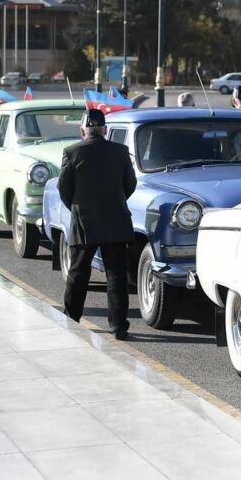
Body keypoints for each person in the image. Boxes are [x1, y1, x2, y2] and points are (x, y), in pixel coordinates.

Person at [57, 107, 137, 340]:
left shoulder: (71, 152)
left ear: (83, 130)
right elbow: (129, 185)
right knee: (116, 276)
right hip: (116, 220)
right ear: (105, 130)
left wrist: (79, 207)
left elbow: (64, 190)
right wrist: (115, 202)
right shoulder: (121, 151)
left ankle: (71, 319)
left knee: (78, 273)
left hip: (84, 222)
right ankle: (119, 326)